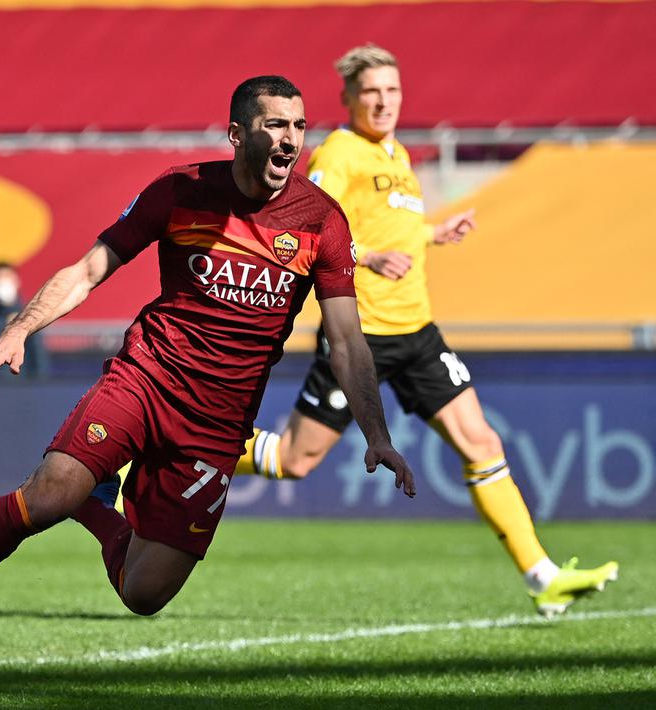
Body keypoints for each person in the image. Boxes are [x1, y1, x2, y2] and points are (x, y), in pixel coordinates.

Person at [0, 75, 417, 686]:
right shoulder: (180, 191)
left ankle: (93, 507)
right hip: (148, 376)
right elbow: (89, 270)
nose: (291, 139)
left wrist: (376, 434)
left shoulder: (321, 221)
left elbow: (347, 341)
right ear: (238, 134)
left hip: (218, 422)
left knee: (143, 593)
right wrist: (20, 328)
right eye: (275, 125)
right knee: (48, 495)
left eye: (298, 126)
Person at [234, 45, 618, 617]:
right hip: (361, 335)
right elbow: (304, 225)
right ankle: (168, 447)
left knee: (482, 443)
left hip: (417, 331)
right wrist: (368, 259)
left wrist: (432, 233)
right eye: (371, 91)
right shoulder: (340, 152)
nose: (383, 101)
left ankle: (542, 576)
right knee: (295, 459)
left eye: (391, 90)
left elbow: (386, 228)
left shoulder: (397, 154)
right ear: (348, 98)